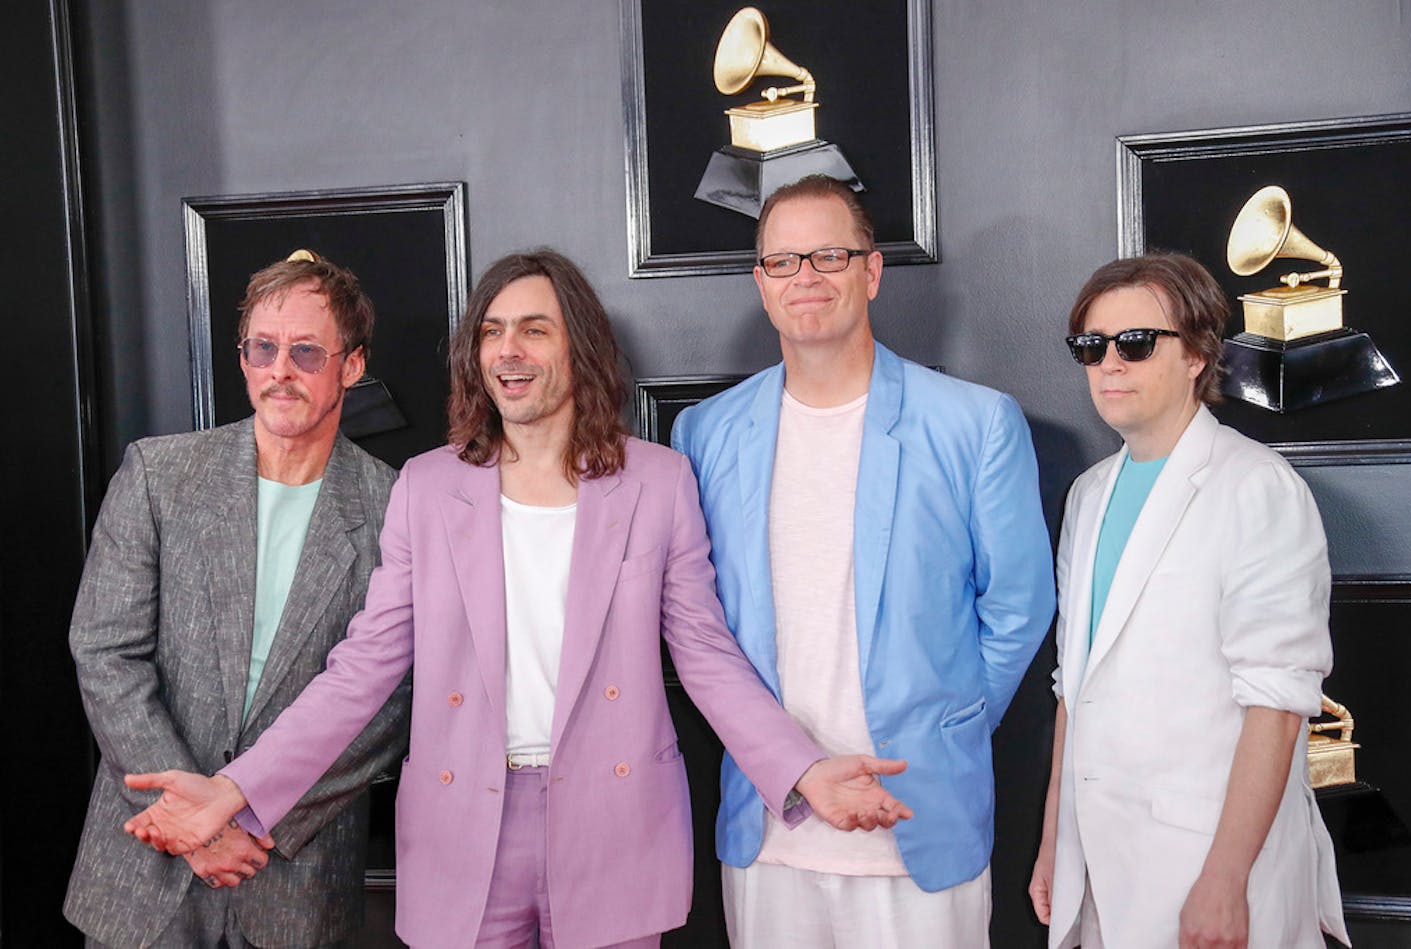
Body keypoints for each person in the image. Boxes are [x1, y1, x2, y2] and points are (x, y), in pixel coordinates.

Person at [121, 249, 913, 948]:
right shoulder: (428, 490)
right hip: (462, 830)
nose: (509, 348)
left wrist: (802, 769)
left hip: (616, 825)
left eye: (534, 328)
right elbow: (358, 672)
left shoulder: (657, 483)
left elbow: (705, 655)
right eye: (493, 330)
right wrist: (235, 788)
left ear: (580, 347)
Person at [671, 175, 1057, 947]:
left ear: (871, 272)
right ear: (760, 282)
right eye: (782, 261)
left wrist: (944, 731)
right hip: (770, 830)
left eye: (828, 255)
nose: (805, 278)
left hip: (918, 825)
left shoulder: (975, 424)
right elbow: (699, 629)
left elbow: (1020, 605)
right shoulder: (704, 434)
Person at [65, 251, 411, 947]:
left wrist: (249, 814)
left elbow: (389, 700)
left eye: (307, 351)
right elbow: (105, 653)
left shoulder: (396, 504)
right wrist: (190, 822)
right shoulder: (160, 475)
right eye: (263, 347)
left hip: (293, 871)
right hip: (144, 865)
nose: (280, 370)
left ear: (351, 365)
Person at [1028, 253, 1350, 948]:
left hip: (1212, 859)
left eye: (1135, 342)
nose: (1109, 363)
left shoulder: (1258, 487)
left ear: (1199, 353)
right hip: (1106, 862)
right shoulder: (1087, 496)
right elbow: (1073, 687)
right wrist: (1059, 834)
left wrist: (1226, 876)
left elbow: (1278, 701)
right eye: (1091, 346)